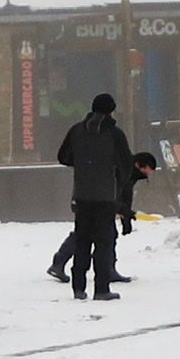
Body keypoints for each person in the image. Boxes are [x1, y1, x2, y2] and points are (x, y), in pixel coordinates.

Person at [56, 93, 134, 301]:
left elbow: (63, 156)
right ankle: (101, 289)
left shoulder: (76, 131)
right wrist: (116, 182)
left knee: (82, 240)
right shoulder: (114, 134)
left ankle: (78, 288)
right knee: (103, 243)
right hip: (105, 197)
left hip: (81, 195)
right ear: (111, 110)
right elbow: (126, 164)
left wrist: (83, 165)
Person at [47, 151, 156, 284]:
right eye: (146, 171)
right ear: (138, 165)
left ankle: (108, 269)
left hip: (103, 203)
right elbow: (110, 194)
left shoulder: (131, 173)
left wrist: (126, 218)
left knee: (108, 234)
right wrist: (123, 210)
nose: (146, 175)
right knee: (85, 233)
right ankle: (59, 263)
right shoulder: (118, 170)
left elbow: (125, 195)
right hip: (91, 200)